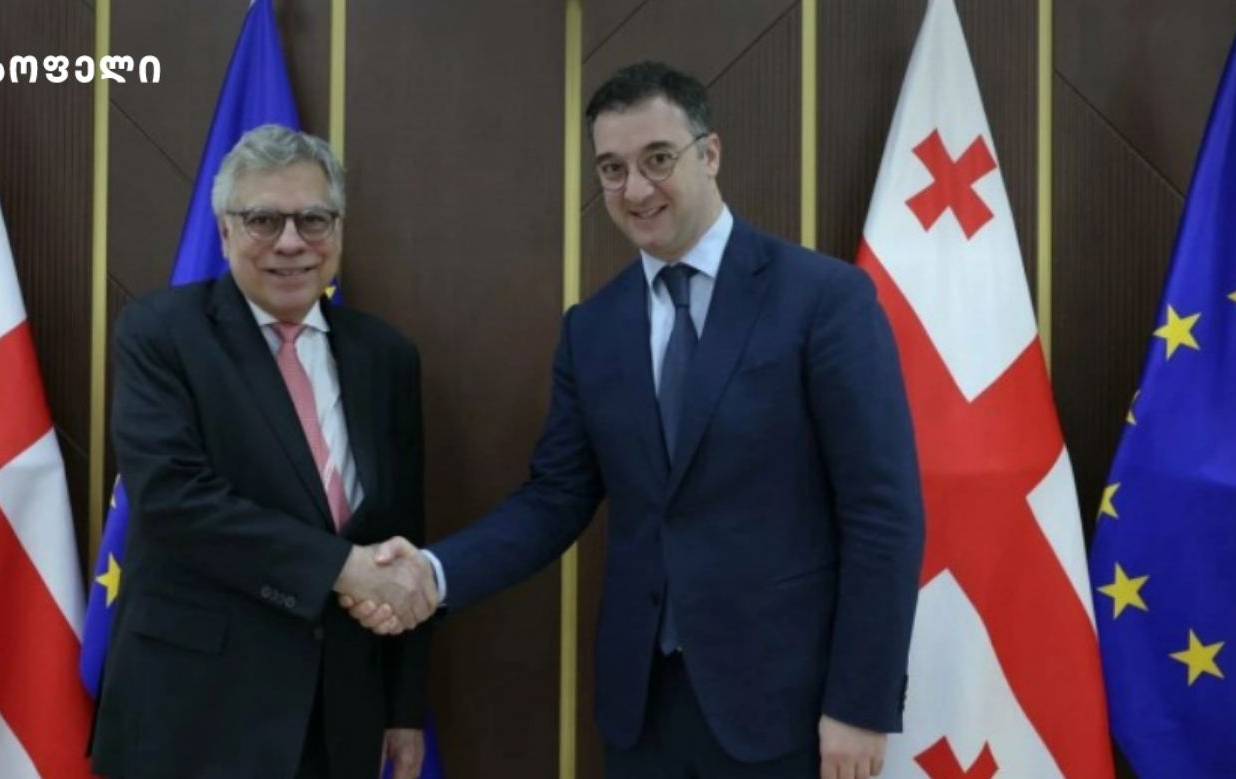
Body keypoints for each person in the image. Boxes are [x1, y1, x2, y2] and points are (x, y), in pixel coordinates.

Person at [352, 62, 926, 778]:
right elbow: (555, 498)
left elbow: (882, 512)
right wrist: (435, 573)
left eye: (658, 159)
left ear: (709, 154)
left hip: (788, 709)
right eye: (612, 169)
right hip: (642, 712)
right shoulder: (593, 327)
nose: (635, 189)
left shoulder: (823, 299)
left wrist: (861, 703)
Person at [89, 124, 438, 779]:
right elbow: (174, 500)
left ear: (338, 230)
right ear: (224, 232)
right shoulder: (162, 333)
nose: (291, 242)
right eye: (263, 220)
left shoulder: (386, 356)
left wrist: (403, 705)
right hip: (193, 711)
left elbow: (404, 532)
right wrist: (342, 568)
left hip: (339, 713)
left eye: (313, 219)